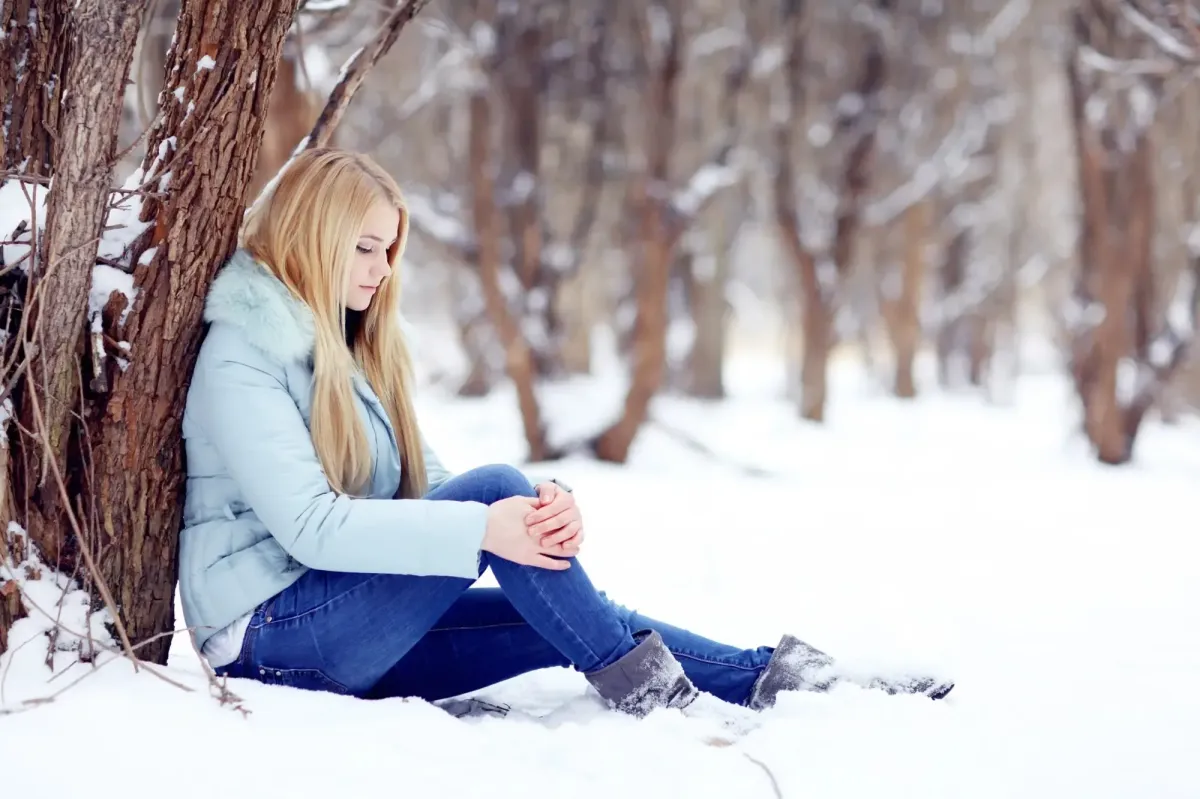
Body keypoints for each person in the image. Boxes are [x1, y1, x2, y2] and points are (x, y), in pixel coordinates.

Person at [178, 148, 952, 719]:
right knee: (498, 497)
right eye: (366, 247)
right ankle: (654, 698)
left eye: (391, 250)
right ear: (317, 233)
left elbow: (426, 484)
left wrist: (541, 515)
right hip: (267, 639)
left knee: (561, 612)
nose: (383, 270)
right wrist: (490, 521)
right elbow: (313, 526)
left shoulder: (351, 346)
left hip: (340, 626)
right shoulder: (244, 350)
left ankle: (783, 682)